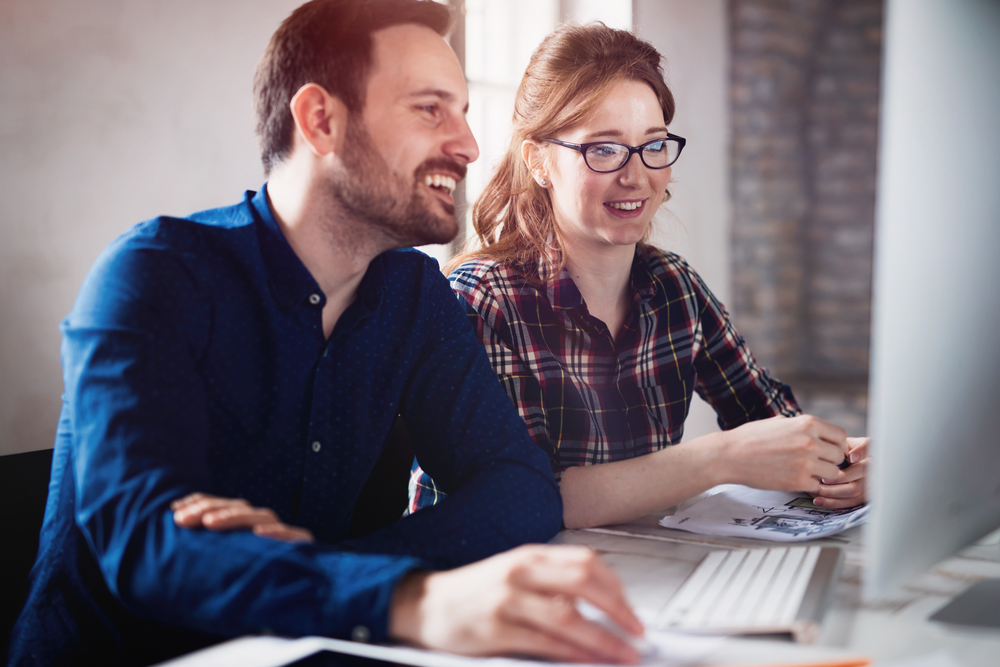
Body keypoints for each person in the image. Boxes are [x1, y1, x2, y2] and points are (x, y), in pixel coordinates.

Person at [7, 3, 645, 665]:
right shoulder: (154, 275)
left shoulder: (413, 293)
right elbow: (146, 545)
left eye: (462, 111)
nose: (469, 145)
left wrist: (331, 571)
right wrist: (409, 599)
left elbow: (523, 485)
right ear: (320, 120)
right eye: (431, 109)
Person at [409, 23, 869, 530]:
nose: (636, 176)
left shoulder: (675, 287)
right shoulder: (481, 300)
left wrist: (841, 465)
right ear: (538, 161)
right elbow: (524, 495)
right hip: (484, 584)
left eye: (653, 145)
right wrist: (718, 458)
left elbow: (771, 425)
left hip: (635, 573)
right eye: (603, 149)